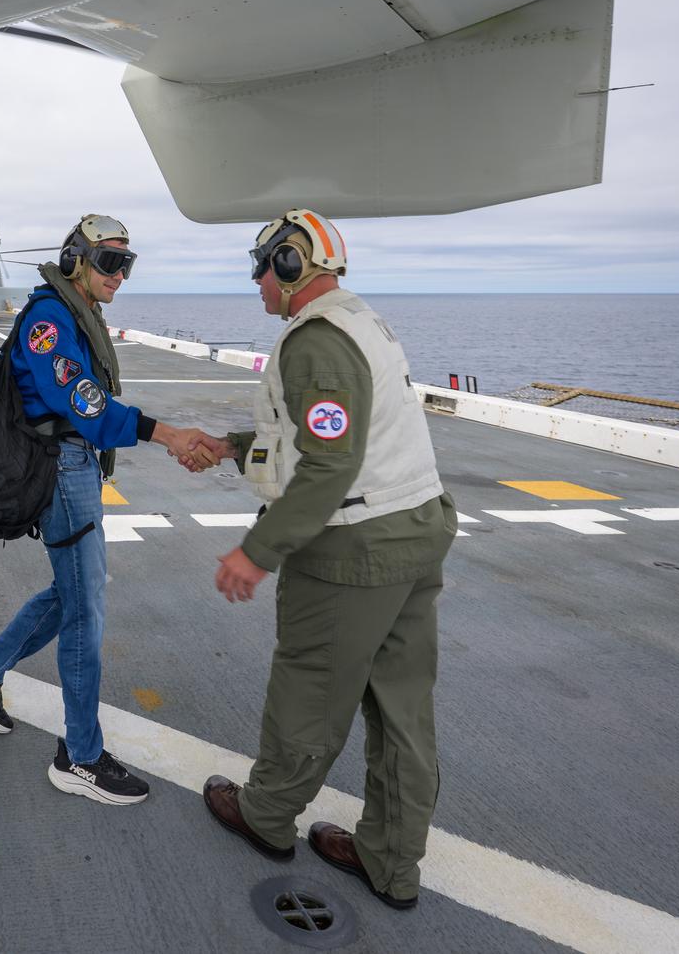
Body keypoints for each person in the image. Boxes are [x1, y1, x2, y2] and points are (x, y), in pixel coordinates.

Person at [193, 209, 457, 911]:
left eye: (261, 266)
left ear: (289, 265)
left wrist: (257, 552)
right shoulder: (360, 321)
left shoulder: (313, 342)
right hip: (415, 530)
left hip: (352, 550)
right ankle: (391, 861)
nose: (255, 282)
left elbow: (328, 465)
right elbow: (316, 430)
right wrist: (229, 444)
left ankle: (267, 814)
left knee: (309, 691)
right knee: (402, 711)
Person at [0, 214, 222, 805]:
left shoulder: (78, 313)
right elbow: (87, 405)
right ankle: (78, 757)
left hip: (76, 468)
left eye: (127, 264)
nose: (119, 275)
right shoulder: (52, 320)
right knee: (84, 611)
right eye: (109, 262)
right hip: (63, 470)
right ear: (77, 259)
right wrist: (168, 434)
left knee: (77, 589)